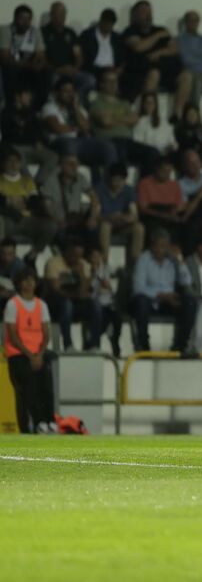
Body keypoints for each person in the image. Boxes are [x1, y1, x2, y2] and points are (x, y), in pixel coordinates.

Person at [4, 268, 55, 434]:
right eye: (25, 280)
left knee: (46, 384)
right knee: (29, 385)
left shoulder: (42, 305)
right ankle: (37, 421)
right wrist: (30, 355)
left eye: (31, 280)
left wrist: (39, 355)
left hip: (37, 354)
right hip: (19, 354)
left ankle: (50, 420)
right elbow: (12, 335)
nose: (28, 284)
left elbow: (46, 334)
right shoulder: (13, 304)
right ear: (19, 283)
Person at [122, 0, 192, 120]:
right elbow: (139, 47)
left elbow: (175, 48)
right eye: (144, 12)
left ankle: (177, 115)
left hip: (167, 70)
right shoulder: (130, 31)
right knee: (154, 74)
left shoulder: (160, 29)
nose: (148, 15)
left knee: (187, 75)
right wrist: (158, 36)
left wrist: (160, 52)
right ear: (135, 15)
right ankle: (146, 116)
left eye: (150, 12)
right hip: (143, 71)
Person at [130, 229, 196, 352]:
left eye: (164, 246)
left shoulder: (172, 261)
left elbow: (187, 282)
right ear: (152, 246)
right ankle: (144, 346)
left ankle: (180, 346)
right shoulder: (143, 259)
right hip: (150, 301)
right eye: (158, 246)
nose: (161, 250)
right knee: (140, 302)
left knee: (190, 301)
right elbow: (138, 289)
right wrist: (161, 295)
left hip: (170, 302)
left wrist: (180, 261)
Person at [42, 76, 117, 176]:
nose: (69, 94)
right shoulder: (49, 107)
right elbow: (58, 128)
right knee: (70, 145)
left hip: (82, 142)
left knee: (108, 147)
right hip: (60, 142)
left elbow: (86, 127)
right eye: (65, 91)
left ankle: (108, 183)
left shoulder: (77, 107)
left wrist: (75, 108)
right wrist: (77, 129)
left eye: (71, 91)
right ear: (57, 93)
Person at [89, 69, 160, 171]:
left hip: (128, 141)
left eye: (115, 81)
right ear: (102, 84)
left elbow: (134, 120)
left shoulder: (124, 103)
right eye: (109, 82)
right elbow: (105, 122)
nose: (113, 85)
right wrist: (124, 119)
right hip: (109, 141)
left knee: (152, 152)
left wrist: (112, 117)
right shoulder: (97, 103)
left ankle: (144, 184)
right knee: (120, 150)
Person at [0, 146, 56, 262]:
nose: (13, 164)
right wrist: (9, 202)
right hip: (6, 220)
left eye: (16, 161)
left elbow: (34, 202)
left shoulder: (27, 181)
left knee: (50, 226)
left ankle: (31, 257)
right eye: (10, 161)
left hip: (26, 220)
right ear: (3, 163)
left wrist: (22, 202)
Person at [43, 239, 101, 351]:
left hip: (75, 301)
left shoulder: (82, 264)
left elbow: (84, 290)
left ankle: (95, 345)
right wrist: (76, 295)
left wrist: (81, 274)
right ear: (67, 252)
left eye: (80, 255)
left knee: (95, 305)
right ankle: (68, 344)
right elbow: (55, 289)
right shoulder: (54, 263)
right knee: (66, 304)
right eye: (74, 255)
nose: (77, 258)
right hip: (54, 302)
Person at [0, 86, 58, 184]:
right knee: (17, 156)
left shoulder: (31, 113)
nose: (29, 97)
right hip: (14, 147)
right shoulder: (6, 112)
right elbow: (7, 133)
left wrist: (38, 140)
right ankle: (29, 183)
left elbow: (38, 131)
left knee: (53, 156)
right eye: (26, 95)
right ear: (18, 97)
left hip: (32, 147)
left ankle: (39, 183)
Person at [41, 153, 100, 245]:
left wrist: (92, 218)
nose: (74, 167)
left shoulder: (80, 178)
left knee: (93, 230)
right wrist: (56, 220)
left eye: (76, 164)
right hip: (60, 221)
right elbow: (47, 203)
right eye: (70, 164)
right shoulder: (52, 180)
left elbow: (94, 197)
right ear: (61, 166)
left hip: (76, 219)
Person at [41, 2, 94, 99]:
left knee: (90, 80)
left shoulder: (70, 32)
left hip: (72, 71)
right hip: (53, 71)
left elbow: (78, 55)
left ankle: (75, 102)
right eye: (58, 14)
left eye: (63, 14)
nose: (62, 17)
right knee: (53, 79)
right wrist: (58, 70)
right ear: (52, 15)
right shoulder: (43, 32)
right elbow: (41, 58)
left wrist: (75, 69)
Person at [96, 163, 144, 261]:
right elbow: (96, 215)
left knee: (139, 228)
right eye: (116, 180)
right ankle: (105, 260)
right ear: (110, 178)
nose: (118, 183)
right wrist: (110, 217)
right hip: (106, 223)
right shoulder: (101, 190)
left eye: (121, 180)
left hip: (122, 224)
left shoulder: (129, 191)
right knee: (105, 226)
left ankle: (135, 260)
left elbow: (134, 215)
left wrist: (122, 217)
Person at [0, 4, 48, 103]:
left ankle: (39, 106)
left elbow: (41, 54)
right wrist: (28, 65)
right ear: (15, 18)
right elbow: (5, 58)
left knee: (43, 72)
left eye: (28, 19)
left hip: (29, 66)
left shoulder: (35, 31)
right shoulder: (6, 30)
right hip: (12, 66)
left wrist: (36, 63)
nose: (25, 22)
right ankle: (10, 105)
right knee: (10, 72)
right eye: (22, 18)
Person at [137, 158, 185, 241]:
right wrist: (162, 215)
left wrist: (173, 213)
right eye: (164, 171)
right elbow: (143, 208)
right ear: (157, 169)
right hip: (152, 215)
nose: (166, 174)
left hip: (169, 214)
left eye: (169, 172)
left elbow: (179, 205)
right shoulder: (145, 183)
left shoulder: (174, 185)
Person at [87, 245, 121, 357]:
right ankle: (94, 344)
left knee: (117, 318)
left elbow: (114, 287)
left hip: (107, 303)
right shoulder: (86, 269)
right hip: (92, 303)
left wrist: (109, 286)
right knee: (98, 312)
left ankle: (115, 344)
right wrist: (93, 274)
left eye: (98, 256)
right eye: (93, 256)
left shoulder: (108, 269)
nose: (96, 258)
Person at [78, 9, 125, 82]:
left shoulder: (117, 38)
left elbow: (122, 57)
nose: (108, 25)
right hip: (94, 70)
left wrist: (120, 69)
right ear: (101, 21)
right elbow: (84, 57)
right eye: (106, 22)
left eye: (110, 23)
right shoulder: (88, 35)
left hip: (112, 69)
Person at [133, 92, 177, 157]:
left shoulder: (163, 121)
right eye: (147, 102)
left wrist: (172, 146)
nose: (149, 105)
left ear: (155, 105)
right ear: (143, 105)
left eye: (152, 102)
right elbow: (138, 143)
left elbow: (172, 141)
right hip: (151, 154)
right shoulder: (139, 121)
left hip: (167, 153)